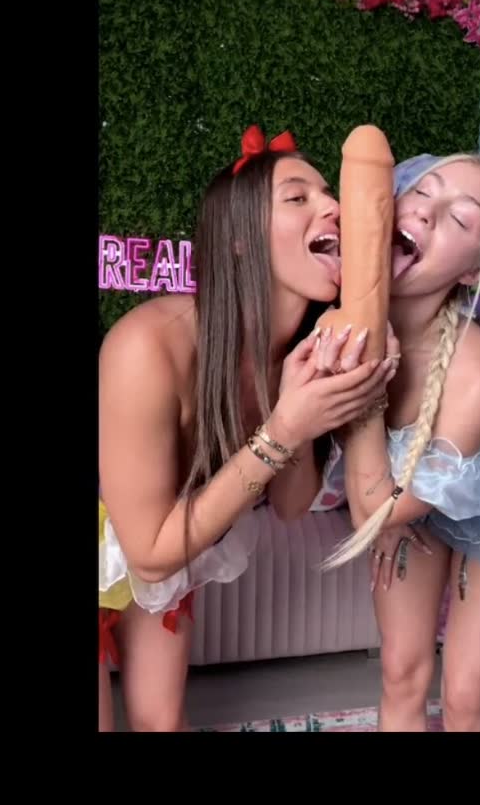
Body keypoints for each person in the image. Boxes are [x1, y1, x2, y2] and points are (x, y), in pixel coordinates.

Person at [98, 125, 399, 731]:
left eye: (330, 194)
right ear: (238, 240)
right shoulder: (147, 346)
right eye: (298, 197)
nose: (333, 206)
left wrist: (313, 403)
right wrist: (285, 427)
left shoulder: (292, 357)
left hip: (165, 538)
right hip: (140, 538)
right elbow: (150, 556)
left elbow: (289, 505)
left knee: (162, 722)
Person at [311, 151, 480, 732]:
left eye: (461, 218)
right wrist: (392, 512)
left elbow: (374, 507)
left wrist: (368, 394)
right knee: (401, 671)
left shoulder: (479, 380)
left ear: (474, 271)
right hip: (399, 499)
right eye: (422, 191)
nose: (427, 212)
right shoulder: (331, 312)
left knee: (465, 694)